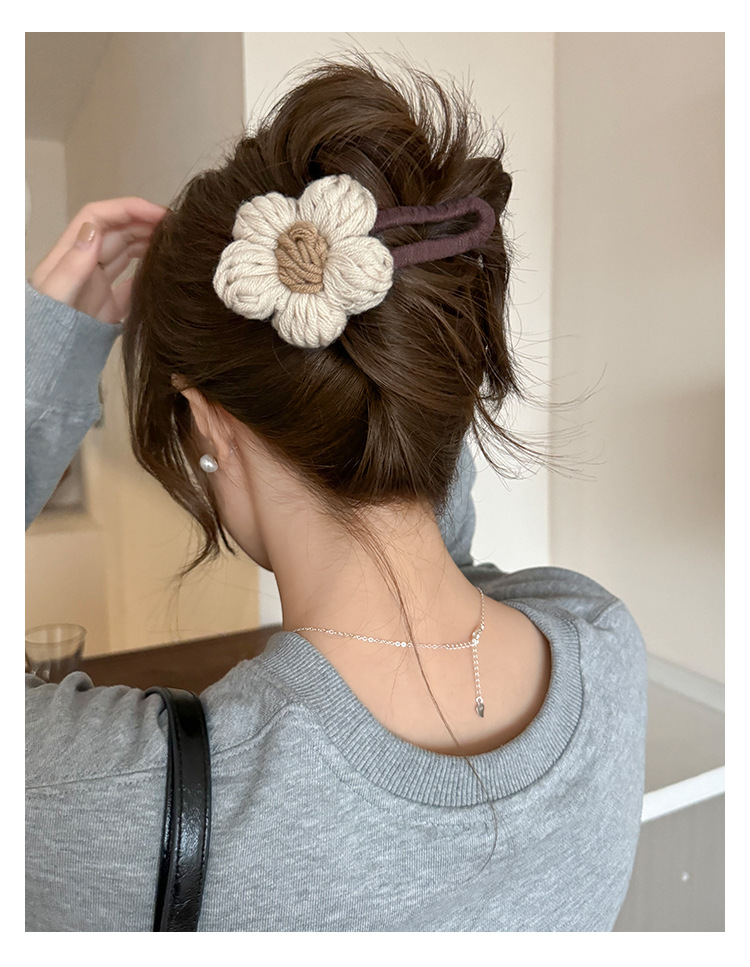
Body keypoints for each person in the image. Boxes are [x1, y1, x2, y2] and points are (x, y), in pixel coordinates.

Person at [25, 57, 647, 932]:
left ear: (208, 424)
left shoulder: (107, 800)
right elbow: (445, 550)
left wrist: (35, 364)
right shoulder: (605, 646)